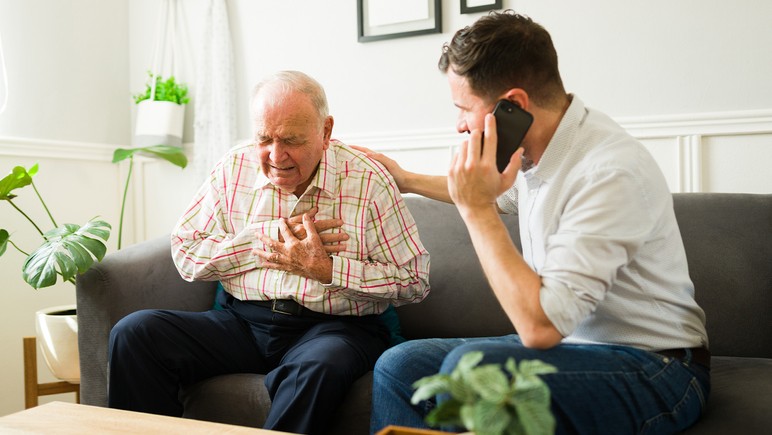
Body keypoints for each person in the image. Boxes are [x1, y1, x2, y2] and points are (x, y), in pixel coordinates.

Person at [364, 10, 710, 435]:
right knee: (401, 365)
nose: (459, 125)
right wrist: (405, 178)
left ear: (513, 105)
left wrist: (476, 211)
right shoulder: (538, 151)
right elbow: (498, 192)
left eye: (464, 108)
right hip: (576, 350)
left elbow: (539, 328)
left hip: (656, 366)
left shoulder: (607, 171)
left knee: (469, 374)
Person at [107, 70, 430, 435]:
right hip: (242, 323)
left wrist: (329, 270)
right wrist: (261, 239)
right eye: (264, 138)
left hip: (333, 328)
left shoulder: (367, 180)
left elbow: (414, 280)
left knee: (319, 366)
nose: (276, 156)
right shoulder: (233, 168)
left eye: (291, 140)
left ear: (325, 131)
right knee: (136, 333)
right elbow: (186, 251)